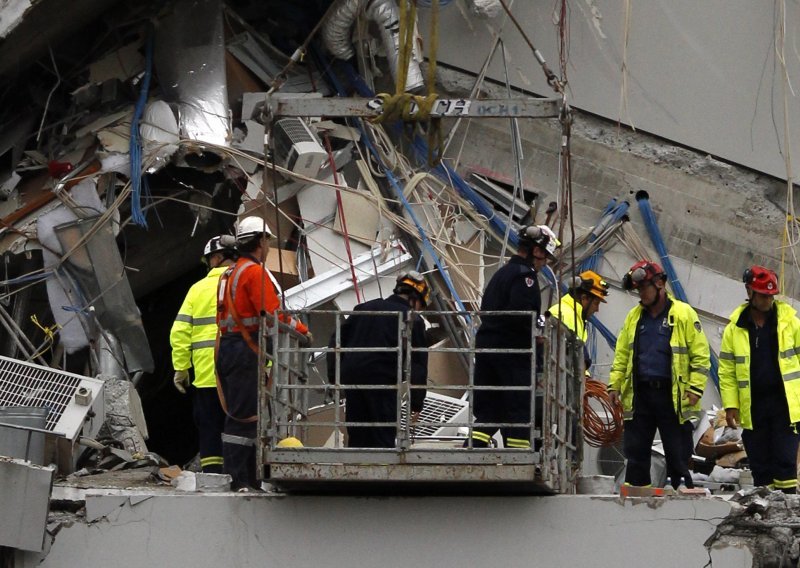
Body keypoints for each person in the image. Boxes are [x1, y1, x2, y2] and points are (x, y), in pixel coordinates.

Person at [216, 216, 310, 490]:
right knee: (246, 417)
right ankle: (242, 479)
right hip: (245, 349)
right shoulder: (254, 272)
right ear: (261, 241)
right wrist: (302, 330)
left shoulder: (229, 272)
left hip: (231, 347)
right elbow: (273, 314)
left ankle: (245, 476)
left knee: (241, 414)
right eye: (267, 240)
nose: (268, 246)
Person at [608, 260, 710, 489]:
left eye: (645, 288)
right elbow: (622, 354)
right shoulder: (634, 317)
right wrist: (614, 386)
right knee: (636, 455)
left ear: (660, 284)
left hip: (672, 397)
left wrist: (694, 389)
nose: (641, 294)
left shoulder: (683, 314)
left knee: (678, 455)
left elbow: (701, 356)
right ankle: (637, 500)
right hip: (641, 395)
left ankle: (680, 498)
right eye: (639, 289)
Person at [469, 224, 560, 449]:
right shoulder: (525, 277)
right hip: (512, 352)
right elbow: (522, 315)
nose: (544, 262)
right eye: (545, 256)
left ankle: (474, 448)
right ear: (536, 251)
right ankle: (519, 457)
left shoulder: (502, 273)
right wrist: (538, 332)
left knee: (490, 408)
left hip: (487, 348)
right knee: (518, 407)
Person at [719, 266, 800, 493]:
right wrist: (731, 404)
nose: (768, 300)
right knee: (760, 463)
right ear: (750, 292)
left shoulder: (789, 323)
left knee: (785, 460)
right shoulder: (734, 329)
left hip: (785, 405)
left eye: (771, 296)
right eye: (763, 295)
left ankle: (787, 510)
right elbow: (726, 370)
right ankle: (765, 510)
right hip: (753, 406)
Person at [335, 271, 430, 448]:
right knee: (383, 435)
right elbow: (417, 365)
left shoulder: (362, 309)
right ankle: (381, 471)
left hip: (353, 378)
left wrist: (336, 379)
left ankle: (358, 470)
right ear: (414, 298)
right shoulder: (411, 318)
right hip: (382, 380)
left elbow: (336, 342)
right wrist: (417, 403)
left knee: (358, 434)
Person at [170, 236, 237, 473]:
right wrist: (267, 366)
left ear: (216, 258)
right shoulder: (246, 284)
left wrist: (181, 368)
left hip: (206, 376)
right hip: (239, 374)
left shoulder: (197, 290)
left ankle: (212, 477)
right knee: (239, 428)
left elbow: (179, 331)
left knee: (210, 428)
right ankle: (239, 476)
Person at [548, 270, 609, 371]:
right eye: (596, 303)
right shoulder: (561, 313)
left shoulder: (576, 317)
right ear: (584, 298)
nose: (597, 309)